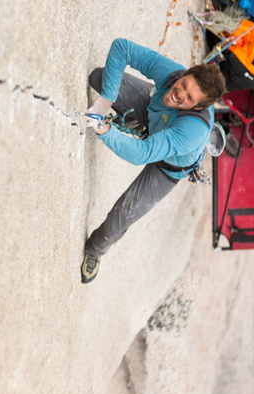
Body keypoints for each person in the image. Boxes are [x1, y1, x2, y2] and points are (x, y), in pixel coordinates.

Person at [81, 39, 226, 284]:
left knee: (122, 215)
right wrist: (105, 100)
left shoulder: (192, 131)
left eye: (189, 98)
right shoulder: (173, 75)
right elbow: (122, 48)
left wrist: (106, 131)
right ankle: (139, 123)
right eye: (183, 84)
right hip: (156, 116)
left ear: (200, 107)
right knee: (100, 77)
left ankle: (96, 250)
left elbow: (142, 154)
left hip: (169, 167)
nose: (179, 93)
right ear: (185, 74)